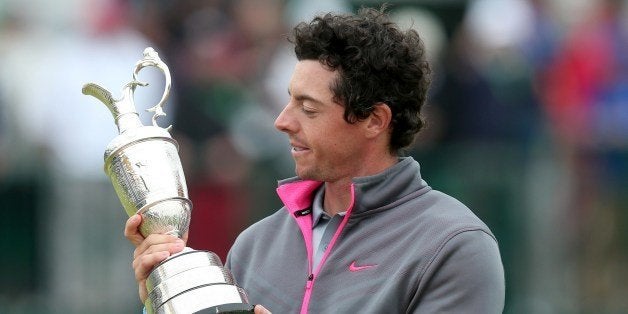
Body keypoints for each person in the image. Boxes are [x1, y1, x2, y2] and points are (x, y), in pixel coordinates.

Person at [125, 7, 505, 313]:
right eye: (289, 99)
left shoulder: (455, 246)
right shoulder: (253, 245)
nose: (282, 121)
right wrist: (167, 299)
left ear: (375, 121)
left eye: (308, 108)